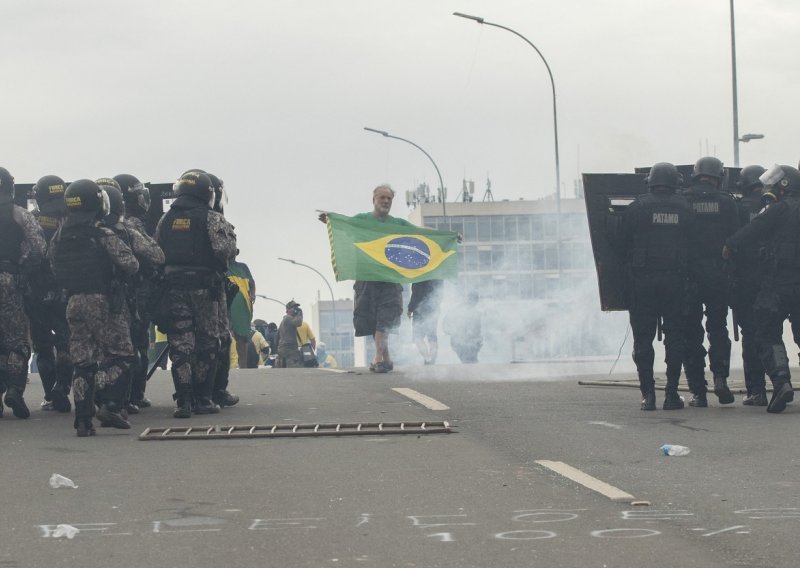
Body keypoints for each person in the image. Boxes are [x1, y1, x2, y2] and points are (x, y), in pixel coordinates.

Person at [50, 179, 139, 435]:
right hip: (101, 301)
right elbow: (131, 264)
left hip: (73, 301)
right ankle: (106, 399)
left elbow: (51, 263)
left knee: (83, 361)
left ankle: (82, 421)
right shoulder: (102, 233)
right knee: (123, 355)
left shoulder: (60, 235)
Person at [154, 171, 237, 418]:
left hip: (174, 288)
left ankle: (183, 400)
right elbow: (226, 251)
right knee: (207, 342)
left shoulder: (165, 219)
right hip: (204, 290)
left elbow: (156, 250)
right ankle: (203, 398)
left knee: (180, 343)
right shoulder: (212, 218)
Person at [615, 162, 693, 410]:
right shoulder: (685, 208)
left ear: (650, 181)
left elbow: (619, 244)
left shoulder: (636, 208)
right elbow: (696, 244)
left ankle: (647, 395)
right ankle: (671, 395)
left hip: (643, 284)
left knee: (642, 340)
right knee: (675, 340)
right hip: (675, 283)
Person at [724, 164, 800, 413]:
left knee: (767, 332)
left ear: (784, 184)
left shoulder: (780, 208)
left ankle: (781, 381)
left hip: (777, 284)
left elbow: (754, 229)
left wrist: (730, 245)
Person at [319, 184, 413, 373]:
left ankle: (378, 357)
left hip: (389, 279)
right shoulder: (362, 220)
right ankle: (386, 357)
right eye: (382, 198)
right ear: (374, 200)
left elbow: (422, 234)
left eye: (389, 199)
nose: (386, 201)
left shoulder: (398, 224)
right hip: (366, 277)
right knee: (371, 318)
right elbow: (344, 225)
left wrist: (450, 236)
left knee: (385, 317)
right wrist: (331, 220)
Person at [99, 179, 165, 414]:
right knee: (131, 348)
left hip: (85, 297)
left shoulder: (77, 230)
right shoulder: (129, 227)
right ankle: (128, 398)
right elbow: (155, 255)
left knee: (93, 351)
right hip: (128, 296)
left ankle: (93, 400)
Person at [681, 156, 740, 407]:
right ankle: (720, 378)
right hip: (718, 276)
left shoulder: (683, 200)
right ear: (719, 176)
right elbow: (737, 239)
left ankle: (698, 391)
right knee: (718, 329)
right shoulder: (727, 202)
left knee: (691, 333)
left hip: (688, 277)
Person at [0, 167, 47, 419]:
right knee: (17, 338)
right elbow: (39, 248)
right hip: (8, 279)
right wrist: (22, 269)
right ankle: (15, 390)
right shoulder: (19, 214)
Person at [27, 174, 73, 413]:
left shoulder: (31, 220)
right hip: (65, 290)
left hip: (36, 291)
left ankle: (49, 395)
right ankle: (63, 387)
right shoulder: (73, 219)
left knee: (43, 346)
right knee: (67, 341)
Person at [113, 173, 156, 409]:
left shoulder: (99, 224)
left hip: (112, 293)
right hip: (136, 291)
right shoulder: (134, 224)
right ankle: (134, 395)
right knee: (137, 344)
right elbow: (153, 254)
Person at [730, 165, 768, 406]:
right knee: (770, 334)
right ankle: (781, 380)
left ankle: (757, 390)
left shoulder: (737, 208)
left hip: (743, 280)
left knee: (750, 333)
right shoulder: (775, 208)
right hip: (772, 279)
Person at [407, 279, 443, 365]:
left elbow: (416, 294)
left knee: (418, 337)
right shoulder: (437, 274)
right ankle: (432, 359)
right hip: (434, 308)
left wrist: (410, 309)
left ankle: (427, 358)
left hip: (420, 309)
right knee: (432, 335)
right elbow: (440, 294)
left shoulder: (421, 275)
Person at [443, 290, 483, 364]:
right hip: (462, 341)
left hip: (462, 341)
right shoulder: (473, 312)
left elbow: (446, 321)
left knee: (469, 361)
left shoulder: (460, 309)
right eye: (474, 300)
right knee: (470, 361)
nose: (474, 302)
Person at [276, 300, 305, 368]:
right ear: (288, 310)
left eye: (296, 308)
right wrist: (300, 313)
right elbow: (299, 323)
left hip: (283, 349)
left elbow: (277, 336)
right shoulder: (288, 318)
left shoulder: (284, 320)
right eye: (294, 308)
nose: (296, 310)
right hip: (289, 350)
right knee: (292, 371)